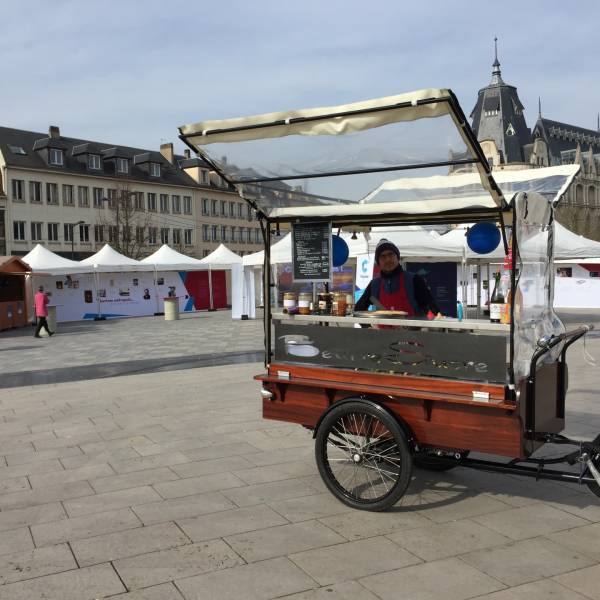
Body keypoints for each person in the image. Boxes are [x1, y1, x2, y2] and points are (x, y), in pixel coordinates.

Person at [354, 239, 442, 316]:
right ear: (378, 262)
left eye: (390, 254)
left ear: (397, 257)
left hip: (412, 334)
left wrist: (431, 324)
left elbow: (432, 309)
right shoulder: (374, 285)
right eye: (383, 256)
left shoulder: (414, 280)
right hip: (382, 334)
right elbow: (358, 310)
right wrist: (369, 327)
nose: (388, 259)